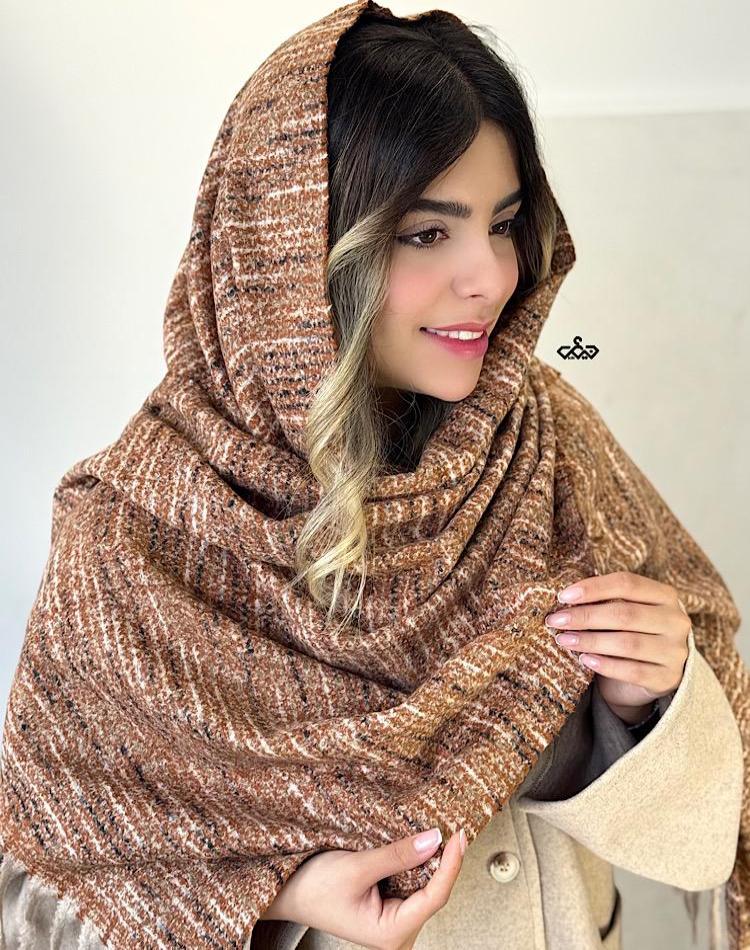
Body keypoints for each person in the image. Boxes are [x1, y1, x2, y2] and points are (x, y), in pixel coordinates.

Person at [0, 2, 745, 949]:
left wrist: (645, 705)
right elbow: (47, 884)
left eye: (504, 224)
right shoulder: (132, 538)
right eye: (426, 233)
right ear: (288, 257)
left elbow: (702, 842)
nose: (491, 275)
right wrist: (277, 895)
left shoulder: (548, 441)